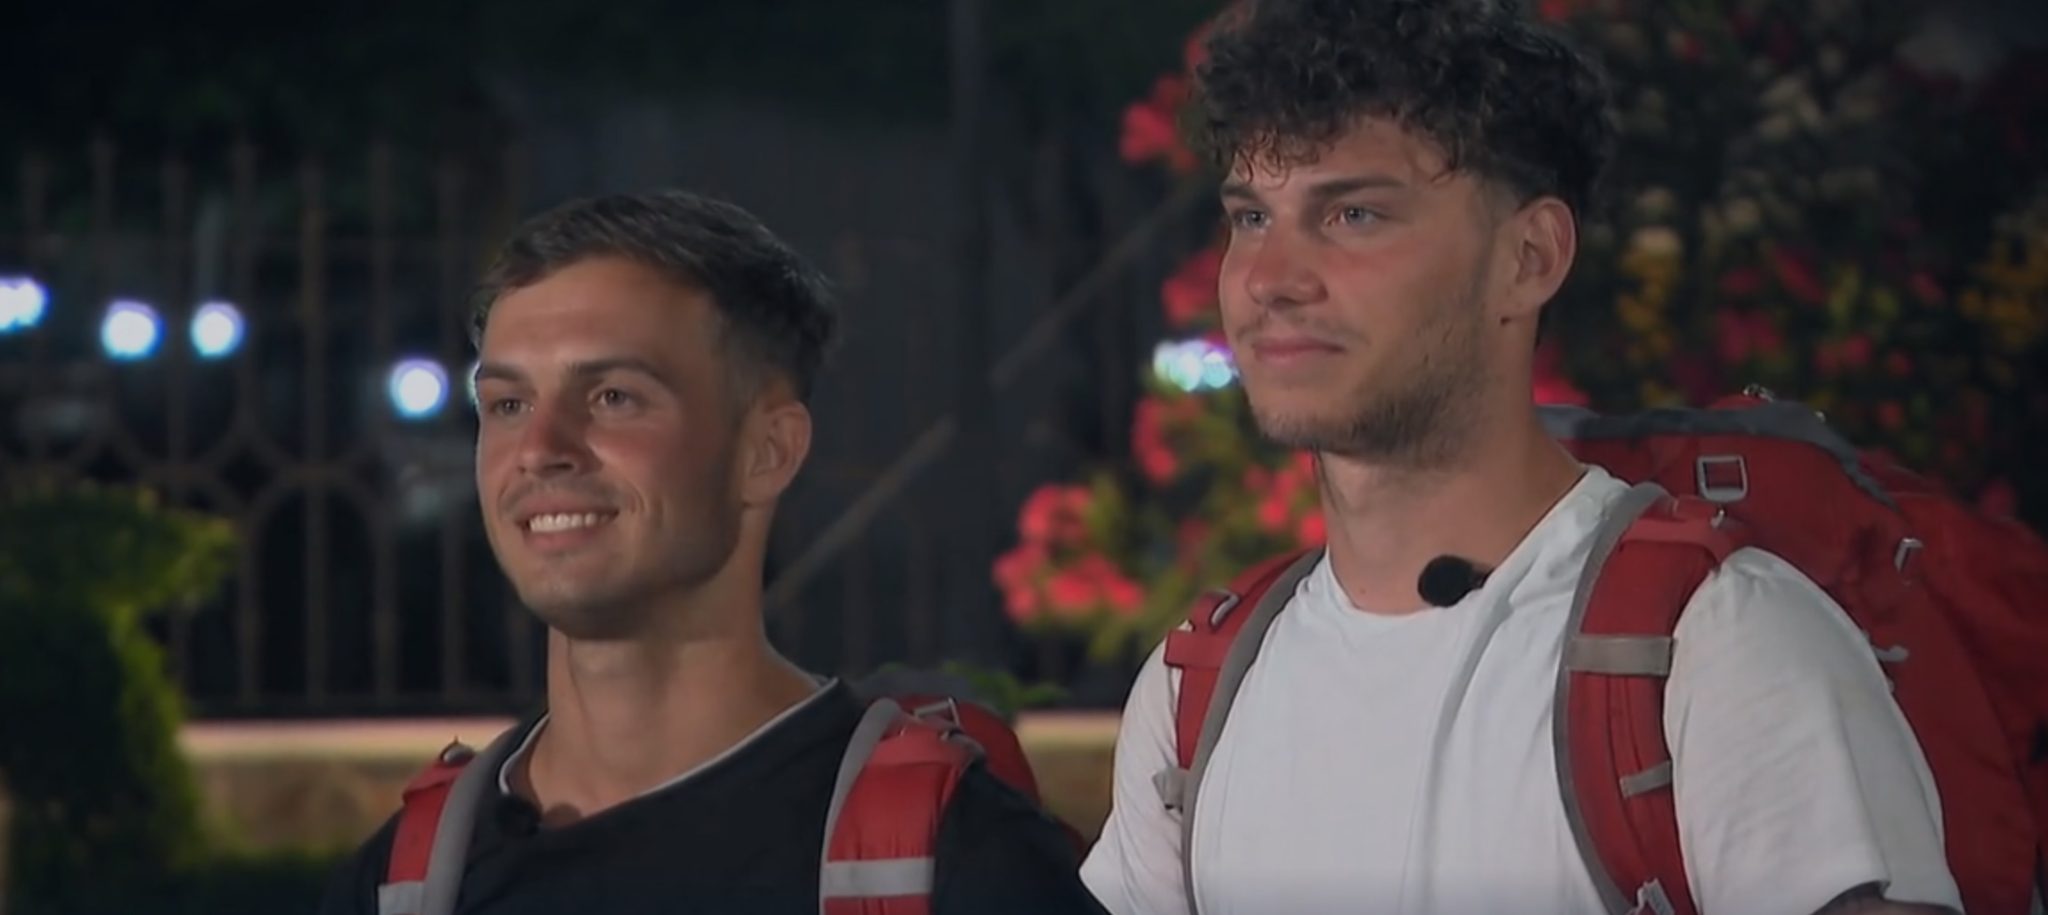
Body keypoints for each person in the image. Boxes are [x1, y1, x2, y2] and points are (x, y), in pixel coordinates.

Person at [1078, 1, 1962, 913]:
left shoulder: (1721, 649)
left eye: (1353, 213)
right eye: (1252, 217)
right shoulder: (1198, 692)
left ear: (1530, 258)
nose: (1271, 279)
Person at [318, 189, 1103, 915]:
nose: (540, 448)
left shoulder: (949, 860)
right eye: (508, 403)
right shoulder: (405, 884)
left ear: (767, 450)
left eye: (613, 397)